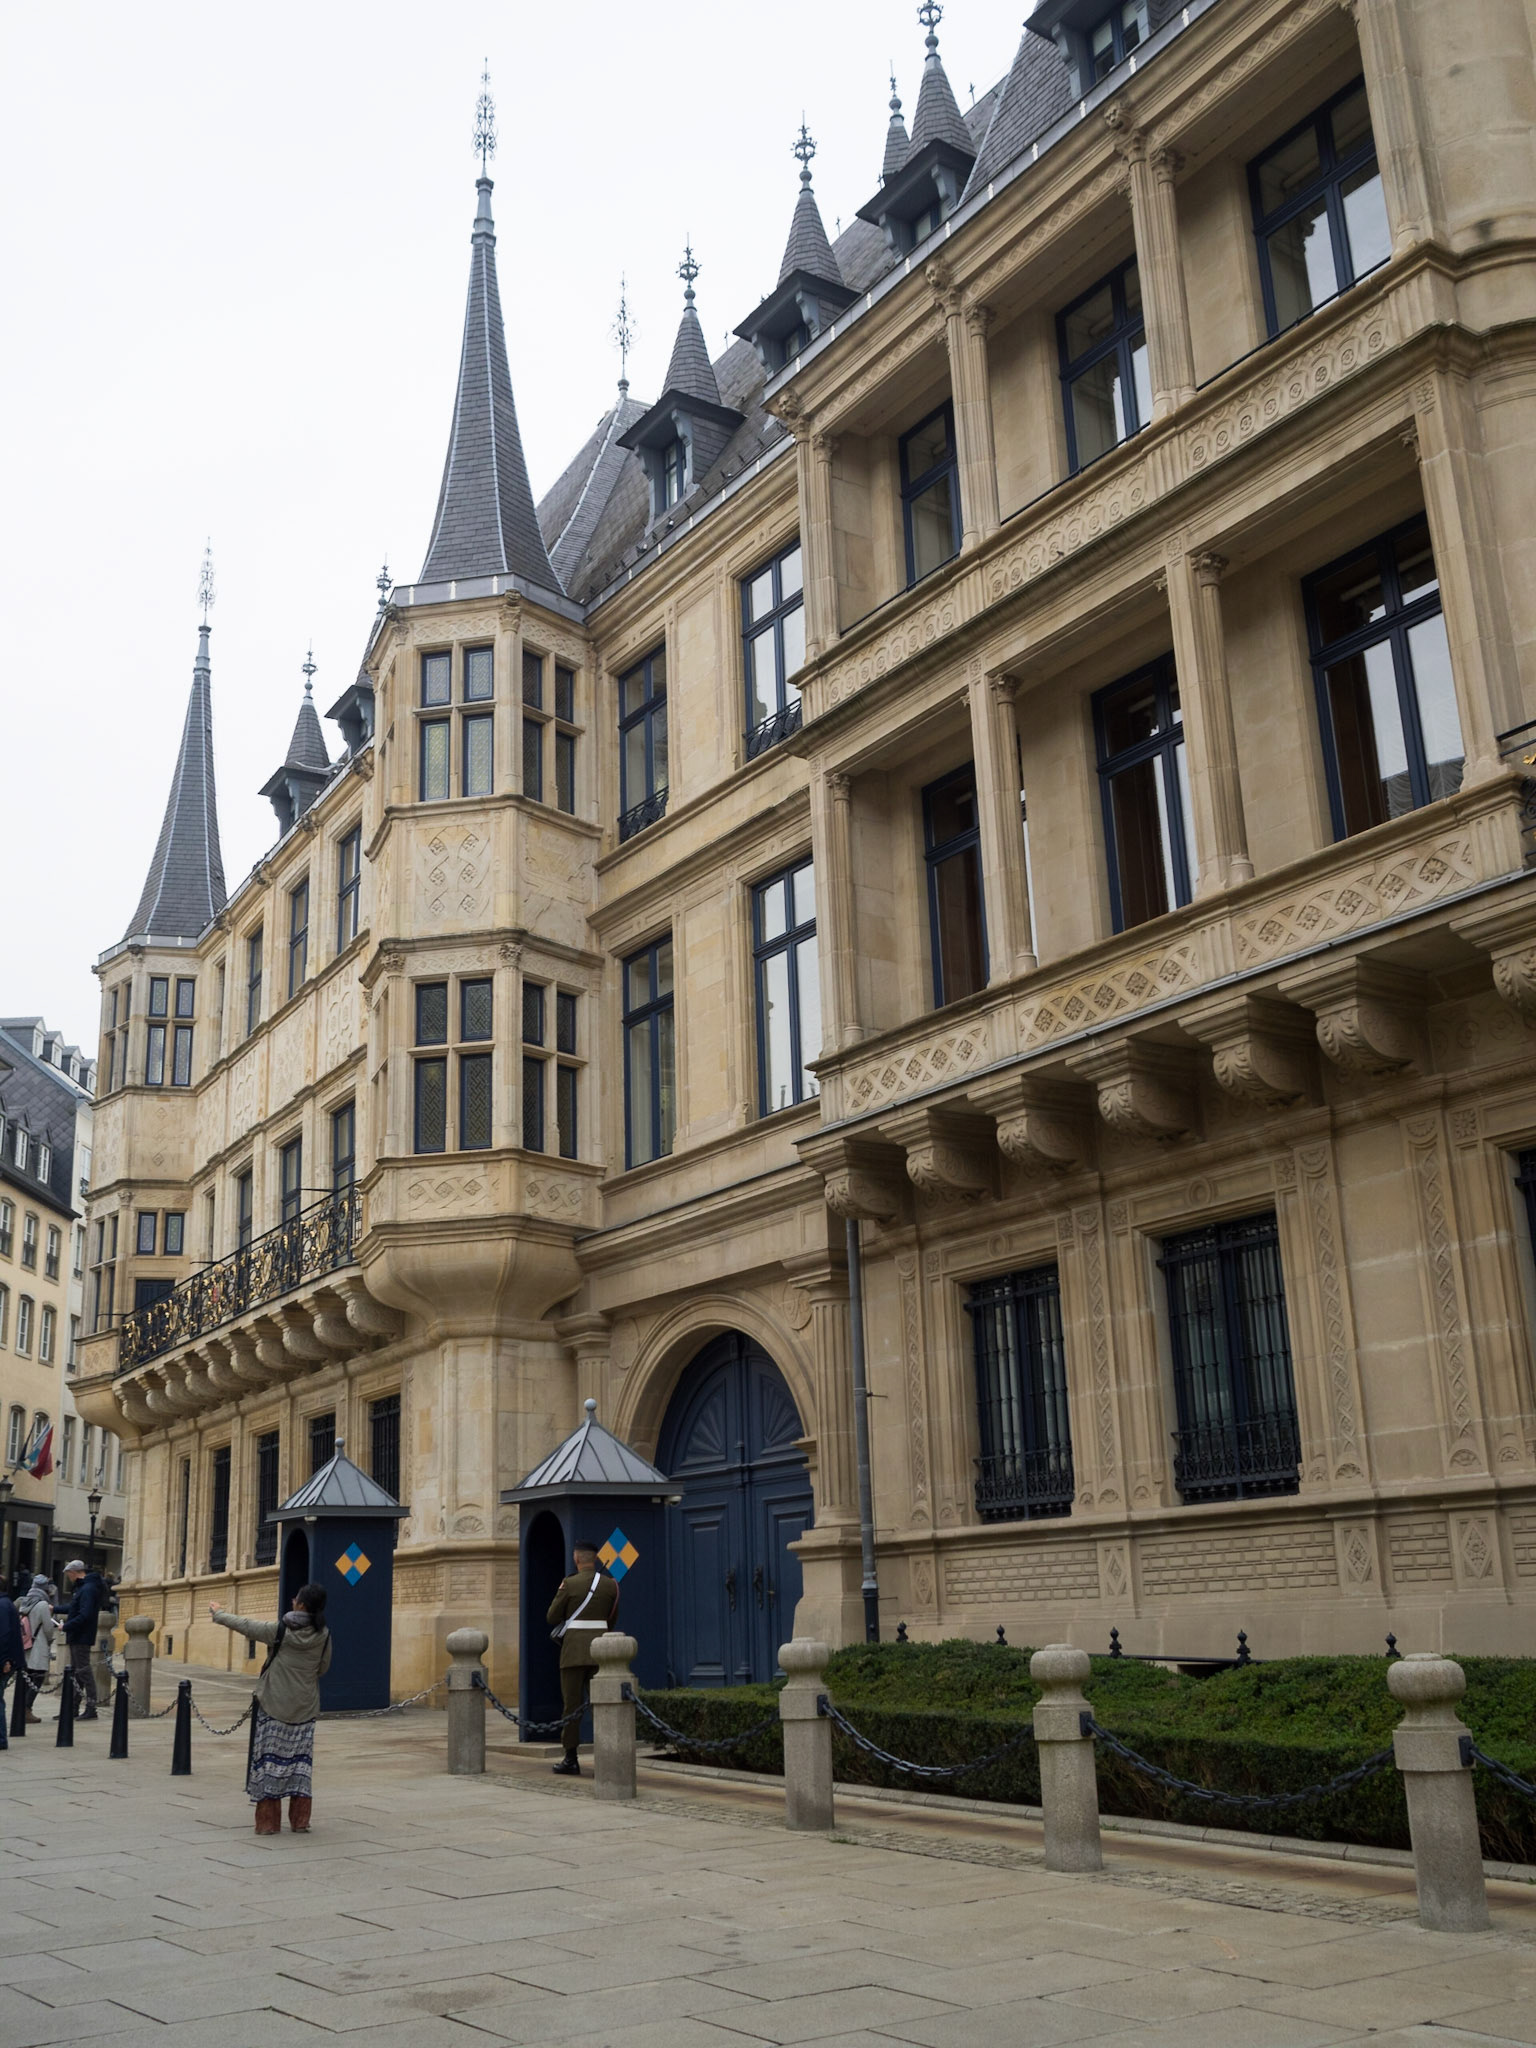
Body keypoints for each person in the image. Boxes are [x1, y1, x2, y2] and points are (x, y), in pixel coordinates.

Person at [210, 1584, 332, 1835]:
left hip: (273, 1705)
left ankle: (268, 1823)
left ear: (302, 1605)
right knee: (300, 1766)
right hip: (305, 1708)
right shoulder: (324, 1635)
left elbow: (245, 1625)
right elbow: (323, 1668)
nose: (293, 1600)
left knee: (269, 1765)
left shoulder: (279, 1631)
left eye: (296, 1598)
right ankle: (300, 1821)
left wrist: (218, 1613)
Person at [545, 1539, 619, 1777]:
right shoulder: (610, 1586)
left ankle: (571, 1758)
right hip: (600, 1650)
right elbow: (612, 1618)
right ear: (594, 1558)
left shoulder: (569, 1583)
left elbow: (552, 1616)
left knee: (572, 1706)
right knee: (603, 1704)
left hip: (574, 1652)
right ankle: (608, 1757)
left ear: (577, 1558)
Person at [61, 1560, 107, 1720]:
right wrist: (55, 1609)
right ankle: (73, 1708)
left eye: (68, 1574)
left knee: (84, 1673)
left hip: (81, 1636)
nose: (68, 1578)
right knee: (77, 1673)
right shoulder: (84, 1588)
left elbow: (85, 1614)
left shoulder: (87, 1588)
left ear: (74, 1572)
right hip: (77, 1635)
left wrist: (66, 1626)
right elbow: (74, 1607)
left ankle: (91, 1708)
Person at [21, 1574, 56, 1724]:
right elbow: (48, 1628)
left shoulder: (24, 1601)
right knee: (38, 1677)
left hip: (26, 1644)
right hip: (39, 1644)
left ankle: (20, 1706)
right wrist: (50, 1640)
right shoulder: (42, 1605)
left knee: (27, 1677)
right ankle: (26, 1709)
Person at [0, 1590, 23, 1730]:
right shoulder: (6, 1603)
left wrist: (4, 1660)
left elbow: (3, 1635)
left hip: (4, 1660)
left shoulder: (2, 1605)